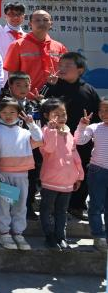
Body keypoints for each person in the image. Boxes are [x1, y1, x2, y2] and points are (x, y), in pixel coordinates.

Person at [43, 52, 101, 220]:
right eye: (61, 65)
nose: (62, 68)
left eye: (68, 65)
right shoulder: (53, 85)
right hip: (56, 140)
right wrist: (48, 86)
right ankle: (54, 205)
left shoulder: (88, 90)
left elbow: (98, 115)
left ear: (80, 70)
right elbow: (40, 104)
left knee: (81, 170)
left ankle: (77, 205)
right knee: (55, 169)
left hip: (82, 141)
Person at [0, 98, 42, 251]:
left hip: (21, 175)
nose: (8, 115)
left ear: (19, 113)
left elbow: (39, 139)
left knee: (19, 205)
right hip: (3, 174)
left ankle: (18, 233)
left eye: (12, 112)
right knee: (3, 205)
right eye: (4, 112)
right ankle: (4, 233)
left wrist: (31, 124)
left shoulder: (25, 132)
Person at [39, 98, 83, 250]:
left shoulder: (68, 133)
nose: (61, 117)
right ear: (47, 116)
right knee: (46, 210)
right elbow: (49, 149)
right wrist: (52, 131)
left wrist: (79, 176)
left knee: (62, 211)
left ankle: (61, 236)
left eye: (63, 114)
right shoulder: (45, 131)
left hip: (67, 182)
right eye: (56, 114)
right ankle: (49, 236)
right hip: (51, 180)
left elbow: (75, 155)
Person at [3, 9, 68, 95]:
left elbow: (66, 72)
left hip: (54, 97)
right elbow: (12, 75)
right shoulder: (17, 45)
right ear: (30, 24)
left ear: (51, 24)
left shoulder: (59, 47)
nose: (42, 23)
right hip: (27, 97)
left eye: (45, 20)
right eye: (37, 20)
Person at [75, 98, 108, 251]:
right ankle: (98, 236)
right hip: (97, 171)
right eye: (101, 111)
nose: (104, 113)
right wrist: (82, 125)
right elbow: (79, 141)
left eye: (107, 110)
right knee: (95, 205)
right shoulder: (94, 127)